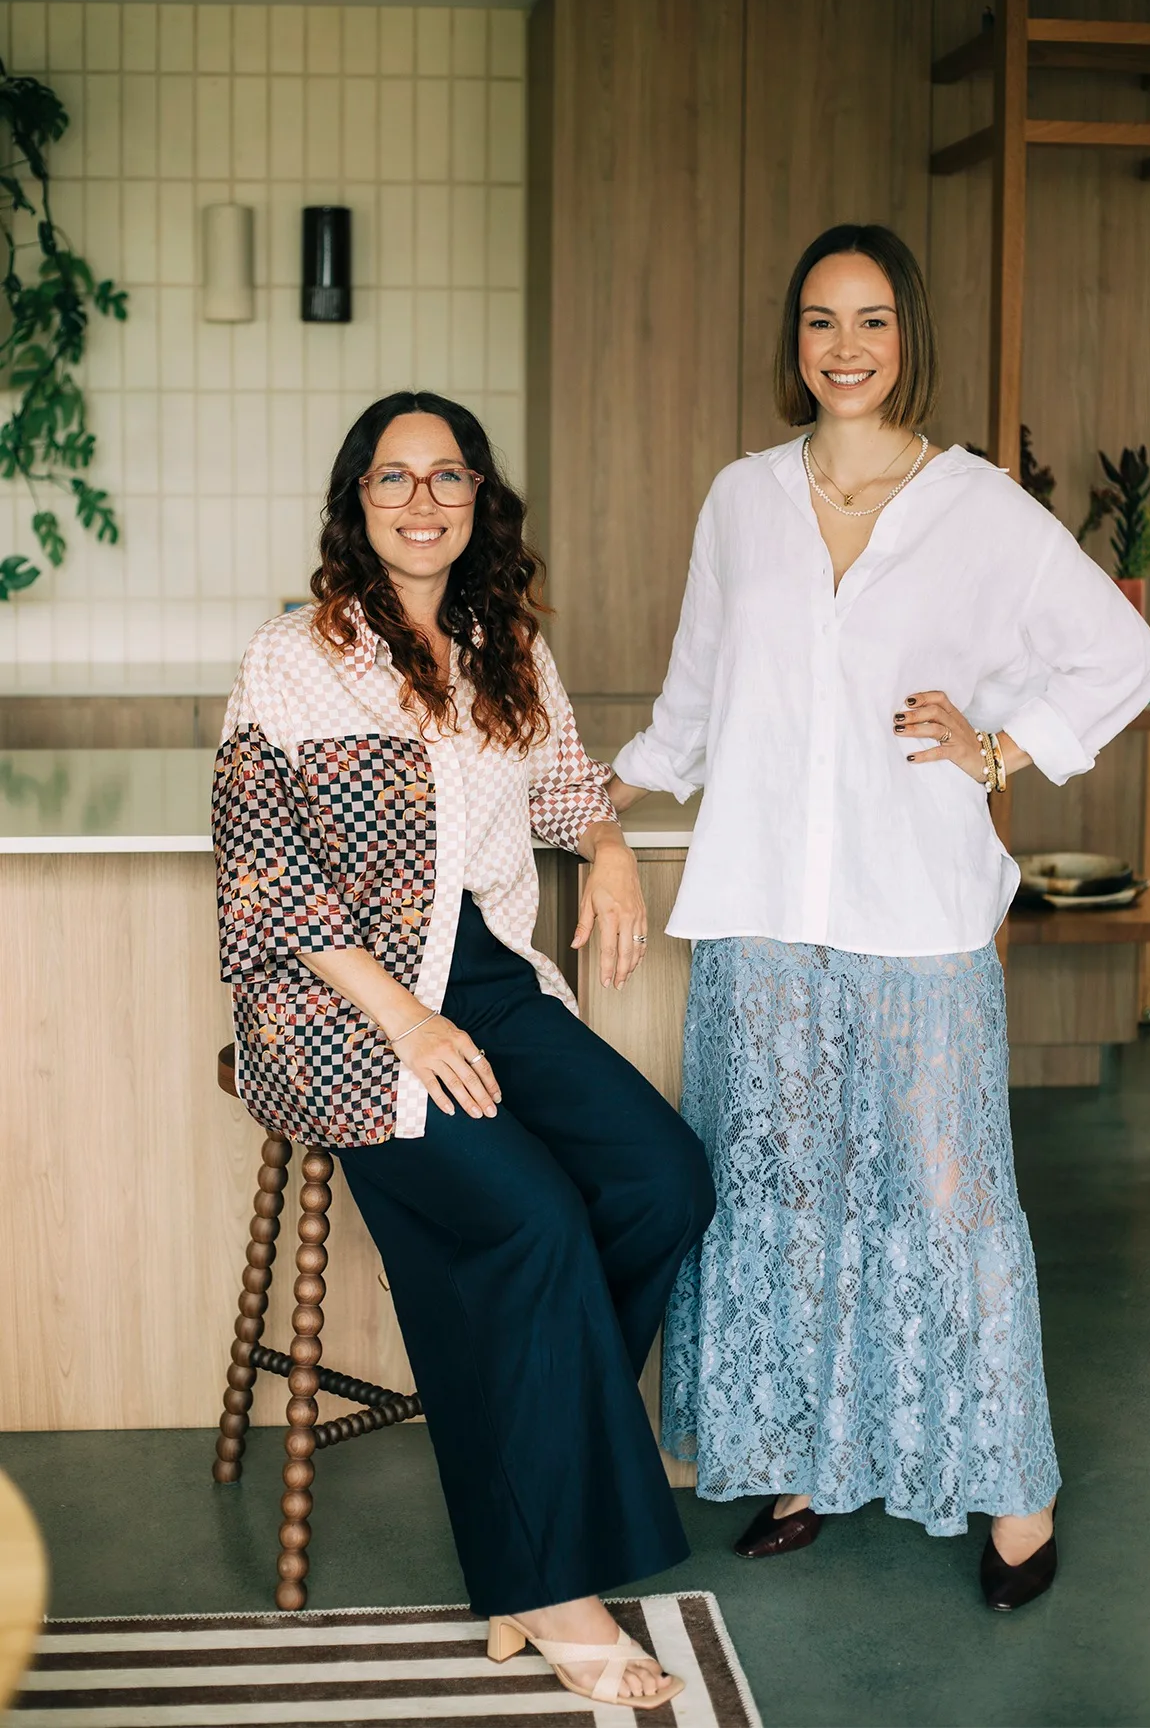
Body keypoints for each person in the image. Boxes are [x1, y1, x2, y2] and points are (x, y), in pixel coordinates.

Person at [608, 223, 1150, 1611]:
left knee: (947, 1200)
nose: (843, 348)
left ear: (907, 334)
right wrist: (579, 798)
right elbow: (693, 702)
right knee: (781, 1199)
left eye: (868, 321)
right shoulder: (739, 500)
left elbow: (1126, 653)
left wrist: (996, 751)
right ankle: (806, 1467)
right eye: (818, 322)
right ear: (792, 343)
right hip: (758, 917)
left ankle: (1016, 1498)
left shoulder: (978, 509)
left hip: (913, 917)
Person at [212, 390, 715, 1704]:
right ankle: (549, 1585)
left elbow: (558, 783)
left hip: (488, 979)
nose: (423, 501)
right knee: (537, 1222)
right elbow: (267, 876)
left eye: (450, 477)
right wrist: (410, 1020)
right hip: (345, 1010)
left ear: (481, 498)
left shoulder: (506, 644)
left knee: (665, 1182)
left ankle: (524, 1486)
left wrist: (605, 848)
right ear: (355, 501)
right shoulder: (293, 660)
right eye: (395, 478)